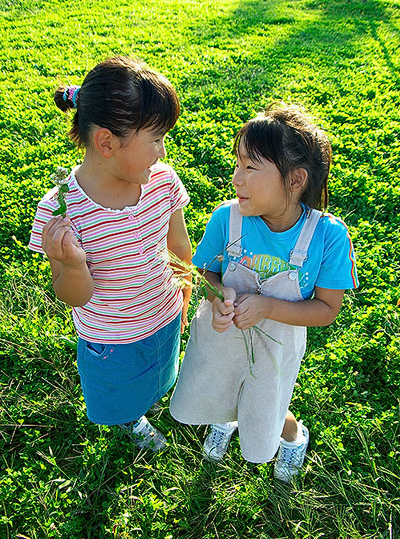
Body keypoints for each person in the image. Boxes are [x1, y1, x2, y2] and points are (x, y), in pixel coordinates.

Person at [170, 103, 358, 481]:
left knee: (265, 408)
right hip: (223, 341)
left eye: (250, 168)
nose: (236, 179)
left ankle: (291, 435)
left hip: (275, 350)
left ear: (295, 180)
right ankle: (225, 418)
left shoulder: (327, 237)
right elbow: (205, 272)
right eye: (237, 165)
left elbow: (326, 308)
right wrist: (218, 298)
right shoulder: (227, 218)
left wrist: (267, 307)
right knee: (220, 390)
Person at [29, 56, 192, 452]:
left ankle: (150, 397)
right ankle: (131, 418)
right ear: (106, 142)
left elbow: (178, 247)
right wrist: (71, 264)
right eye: (155, 139)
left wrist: (185, 291)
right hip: (113, 337)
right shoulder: (62, 211)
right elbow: (73, 296)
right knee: (121, 392)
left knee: (159, 373)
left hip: (164, 314)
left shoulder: (162, 182)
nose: (162, 151)